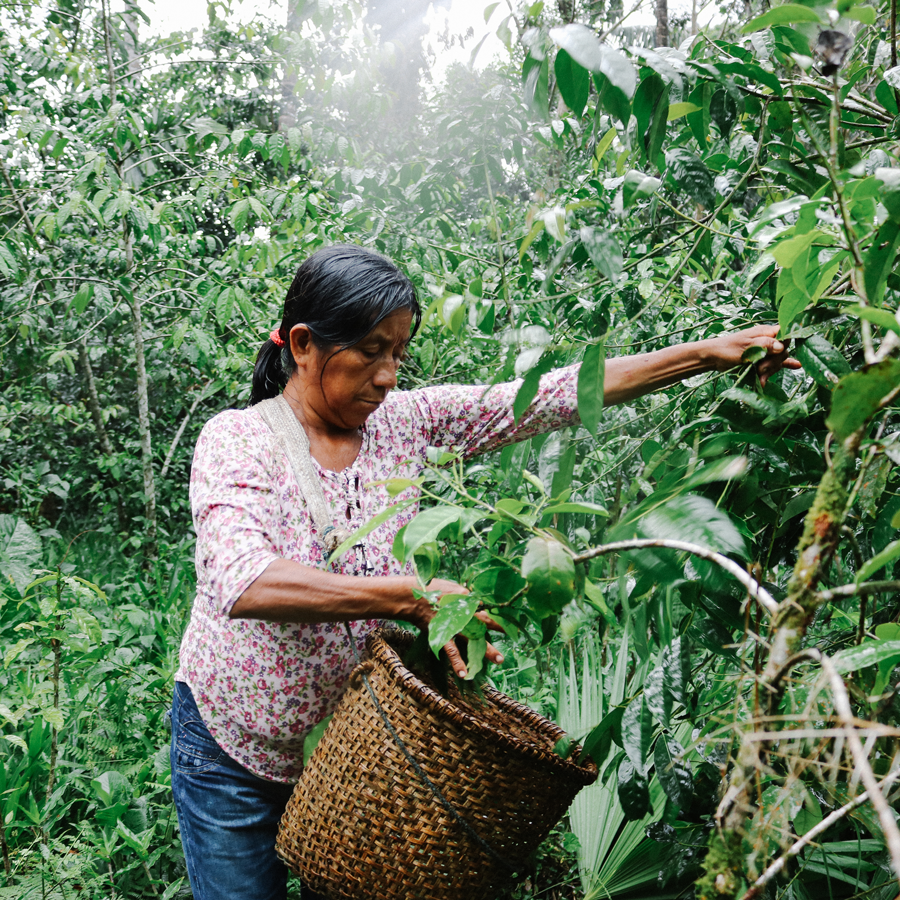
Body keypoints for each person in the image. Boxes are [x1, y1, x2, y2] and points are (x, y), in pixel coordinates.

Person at [169, 243, 799, 900]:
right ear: (303, 344)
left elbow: (544, 397)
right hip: (232, 748)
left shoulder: (402, 424)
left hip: (355, 750)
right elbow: (244, 582)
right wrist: (409, 597)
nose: (387, 376)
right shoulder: (239, 441)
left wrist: (704, 355)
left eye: (398, 353)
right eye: (369, 351)